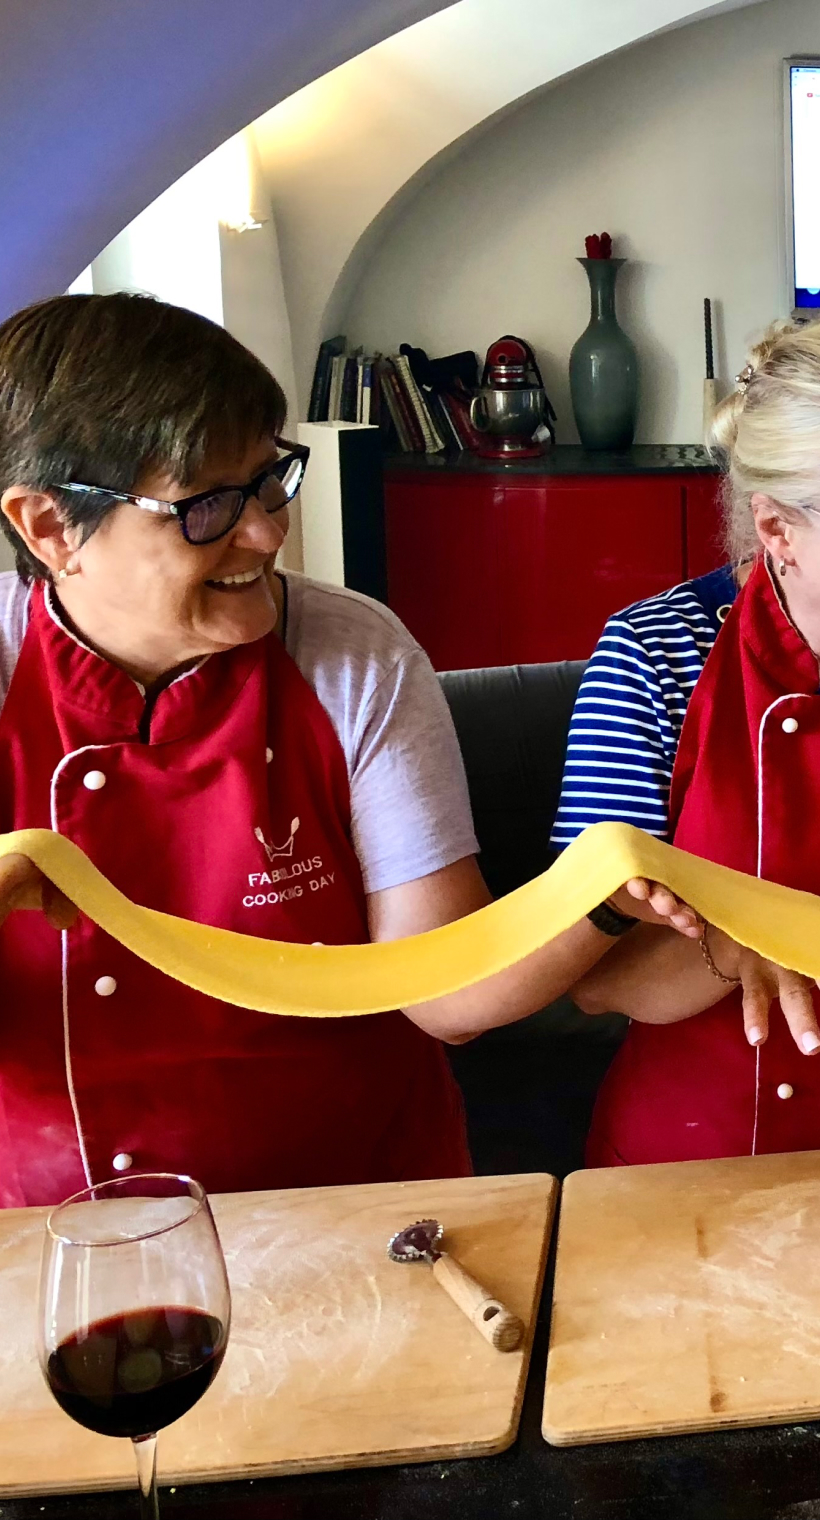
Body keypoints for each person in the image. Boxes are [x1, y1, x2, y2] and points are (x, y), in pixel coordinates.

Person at [0, 292, 690, 1208]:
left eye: (267, 478)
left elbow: (442, 991)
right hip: (53, 1229)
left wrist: (605, 898)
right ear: (49, 529)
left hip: (354, 1198)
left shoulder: (351, 655)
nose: (267, 530)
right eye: (206, 505)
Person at [553, 317, 820, 1166]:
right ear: (778, 529)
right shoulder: (659, 656)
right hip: (708, 1166)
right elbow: (597, 978)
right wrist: (737, 940)